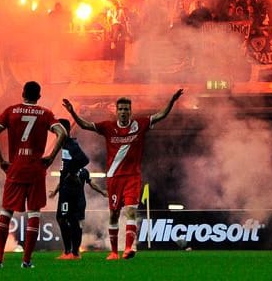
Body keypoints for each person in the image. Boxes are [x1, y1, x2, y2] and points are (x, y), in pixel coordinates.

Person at [62, 89, 183, 260]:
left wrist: (172, 101)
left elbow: (160, 115)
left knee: (131, 212)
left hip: (132, 177)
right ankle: (113, 252)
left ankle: (128, 248)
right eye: (121, 109)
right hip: (114, 178)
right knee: (114, 214)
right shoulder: (108, 127)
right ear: (117, 111)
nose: (124, 112)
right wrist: (72, 111)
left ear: (130, 111)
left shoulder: (139, 125)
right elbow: (85, 125)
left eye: (127, 109)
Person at [0, 81, 67, 269]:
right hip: (35, 170)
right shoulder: (45, 113)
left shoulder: (11, 111)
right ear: (39, 96)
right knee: (34, 213)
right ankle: (26, 261)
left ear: (22, 93)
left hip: (15, 169)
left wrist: (1, 160)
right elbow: (62, 132)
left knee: (6, 211)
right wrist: (50, 156)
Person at [49, 119, 107, 260]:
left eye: (58, 129)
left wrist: (73, 174)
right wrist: (55, 191)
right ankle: (73, 252)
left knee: (66, 219)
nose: (56, 133)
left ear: (65, 130)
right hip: (66, 191)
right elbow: (66, 174)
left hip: (71, 194)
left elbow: (84, 161)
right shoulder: (64, 147)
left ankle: (71, 251)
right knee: (68, 220)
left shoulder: (70, 145)